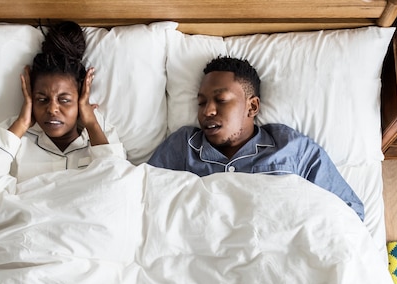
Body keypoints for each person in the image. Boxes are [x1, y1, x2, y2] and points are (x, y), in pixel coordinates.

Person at [147, 56, 364, 221]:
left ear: (252, 106)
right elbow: (144, 200)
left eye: (221, 100)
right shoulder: (184, 147)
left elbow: (350, 211)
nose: (208, 111)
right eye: (201, 103)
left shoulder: (291, 148)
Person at [0, 21, 125, 194]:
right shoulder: (14, 136)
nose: (52, 109)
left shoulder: (99, 133)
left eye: (64, 100)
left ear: (80, 100)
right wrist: (22, 123)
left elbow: (119, 186)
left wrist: (92, 124)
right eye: (42, 99)